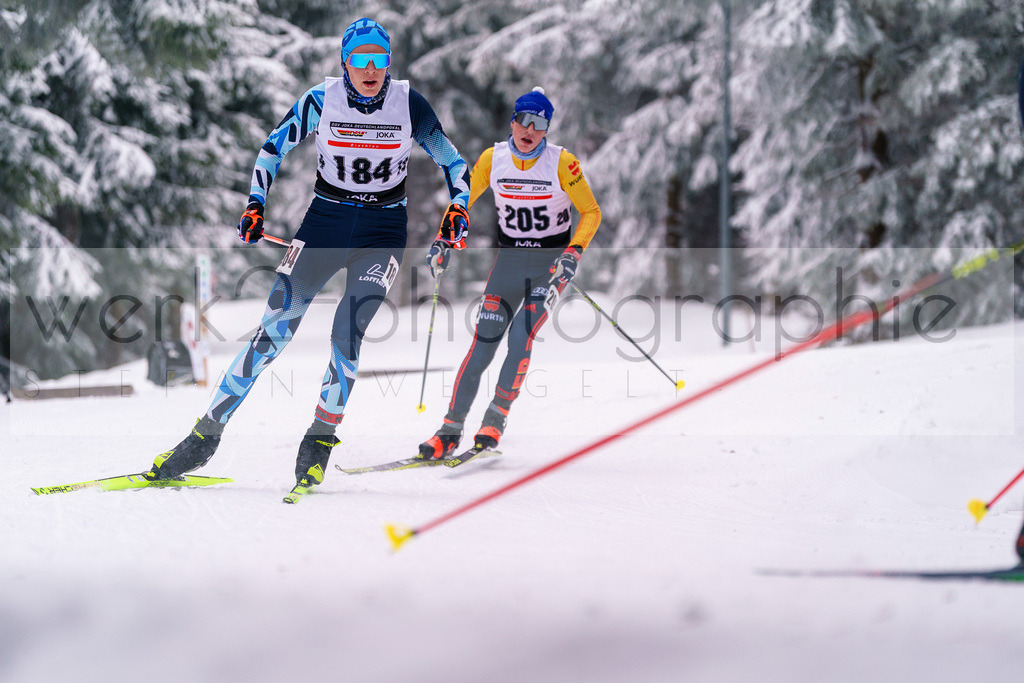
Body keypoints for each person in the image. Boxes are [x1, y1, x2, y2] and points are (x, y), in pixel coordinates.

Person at [145, 18, 471, 491]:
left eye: (379, 59)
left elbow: (454, 162)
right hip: (324, 224)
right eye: (360, 59)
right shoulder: (321, 99)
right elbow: (271, 149)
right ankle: (203, 436)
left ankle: (319, 440)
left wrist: (458, 209)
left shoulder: (408, 103)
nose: (370, 68)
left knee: (348, 329)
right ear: (344, 62)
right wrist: (256, 203)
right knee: (271, 333)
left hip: (382, 232)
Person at [418, 87, 601, 459]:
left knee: (520, 336)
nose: (530, 129)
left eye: (540, 123)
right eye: (524, 120)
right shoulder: (493, 159)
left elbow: (592, 212)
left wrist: (573, 252)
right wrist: (443, 239)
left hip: (550, 268)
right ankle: (450, 429)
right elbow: (462, 201)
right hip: (510, 262)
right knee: (483, 343)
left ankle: (495, 418)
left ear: (547, 128)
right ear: (513, 121)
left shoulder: (562, 163)